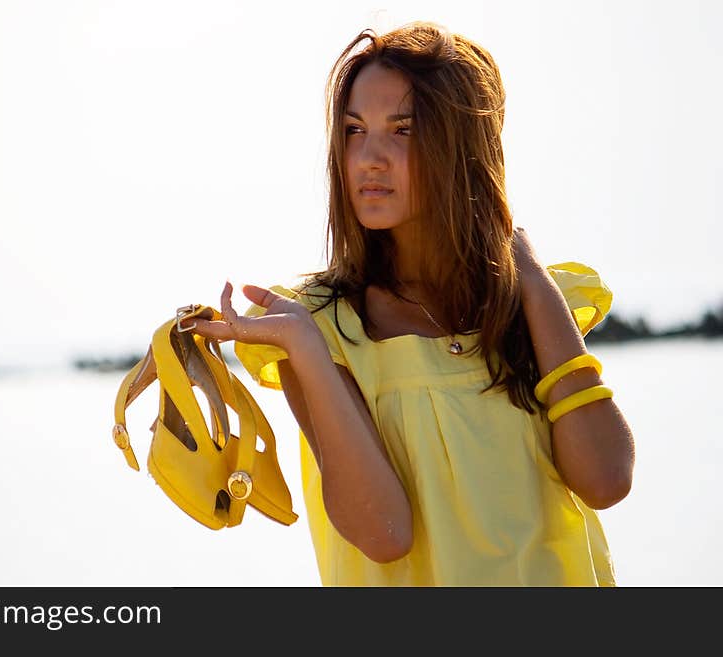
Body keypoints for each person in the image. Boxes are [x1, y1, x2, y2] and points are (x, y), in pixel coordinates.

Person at [189, 21, 635, 586]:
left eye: (403, 130)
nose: (368, 158)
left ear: (464, 148)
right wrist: (305, 349)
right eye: (354, 130)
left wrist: (526, 270)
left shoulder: (535, 299)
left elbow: (606, 479)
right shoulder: (320, 327)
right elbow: (384, 534)